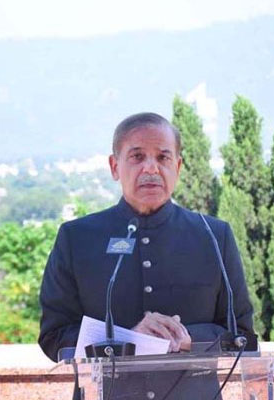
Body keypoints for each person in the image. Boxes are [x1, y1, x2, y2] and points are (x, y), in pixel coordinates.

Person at [38, 112, 254, 399]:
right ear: (115, 166)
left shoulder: (213, 236)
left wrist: (187, 338)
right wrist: (128, 340)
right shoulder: (77, 237)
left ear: (178, 166)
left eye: (163, 157)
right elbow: (54, 336)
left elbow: (242, 334)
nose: (151, 168)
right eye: (137, 157)